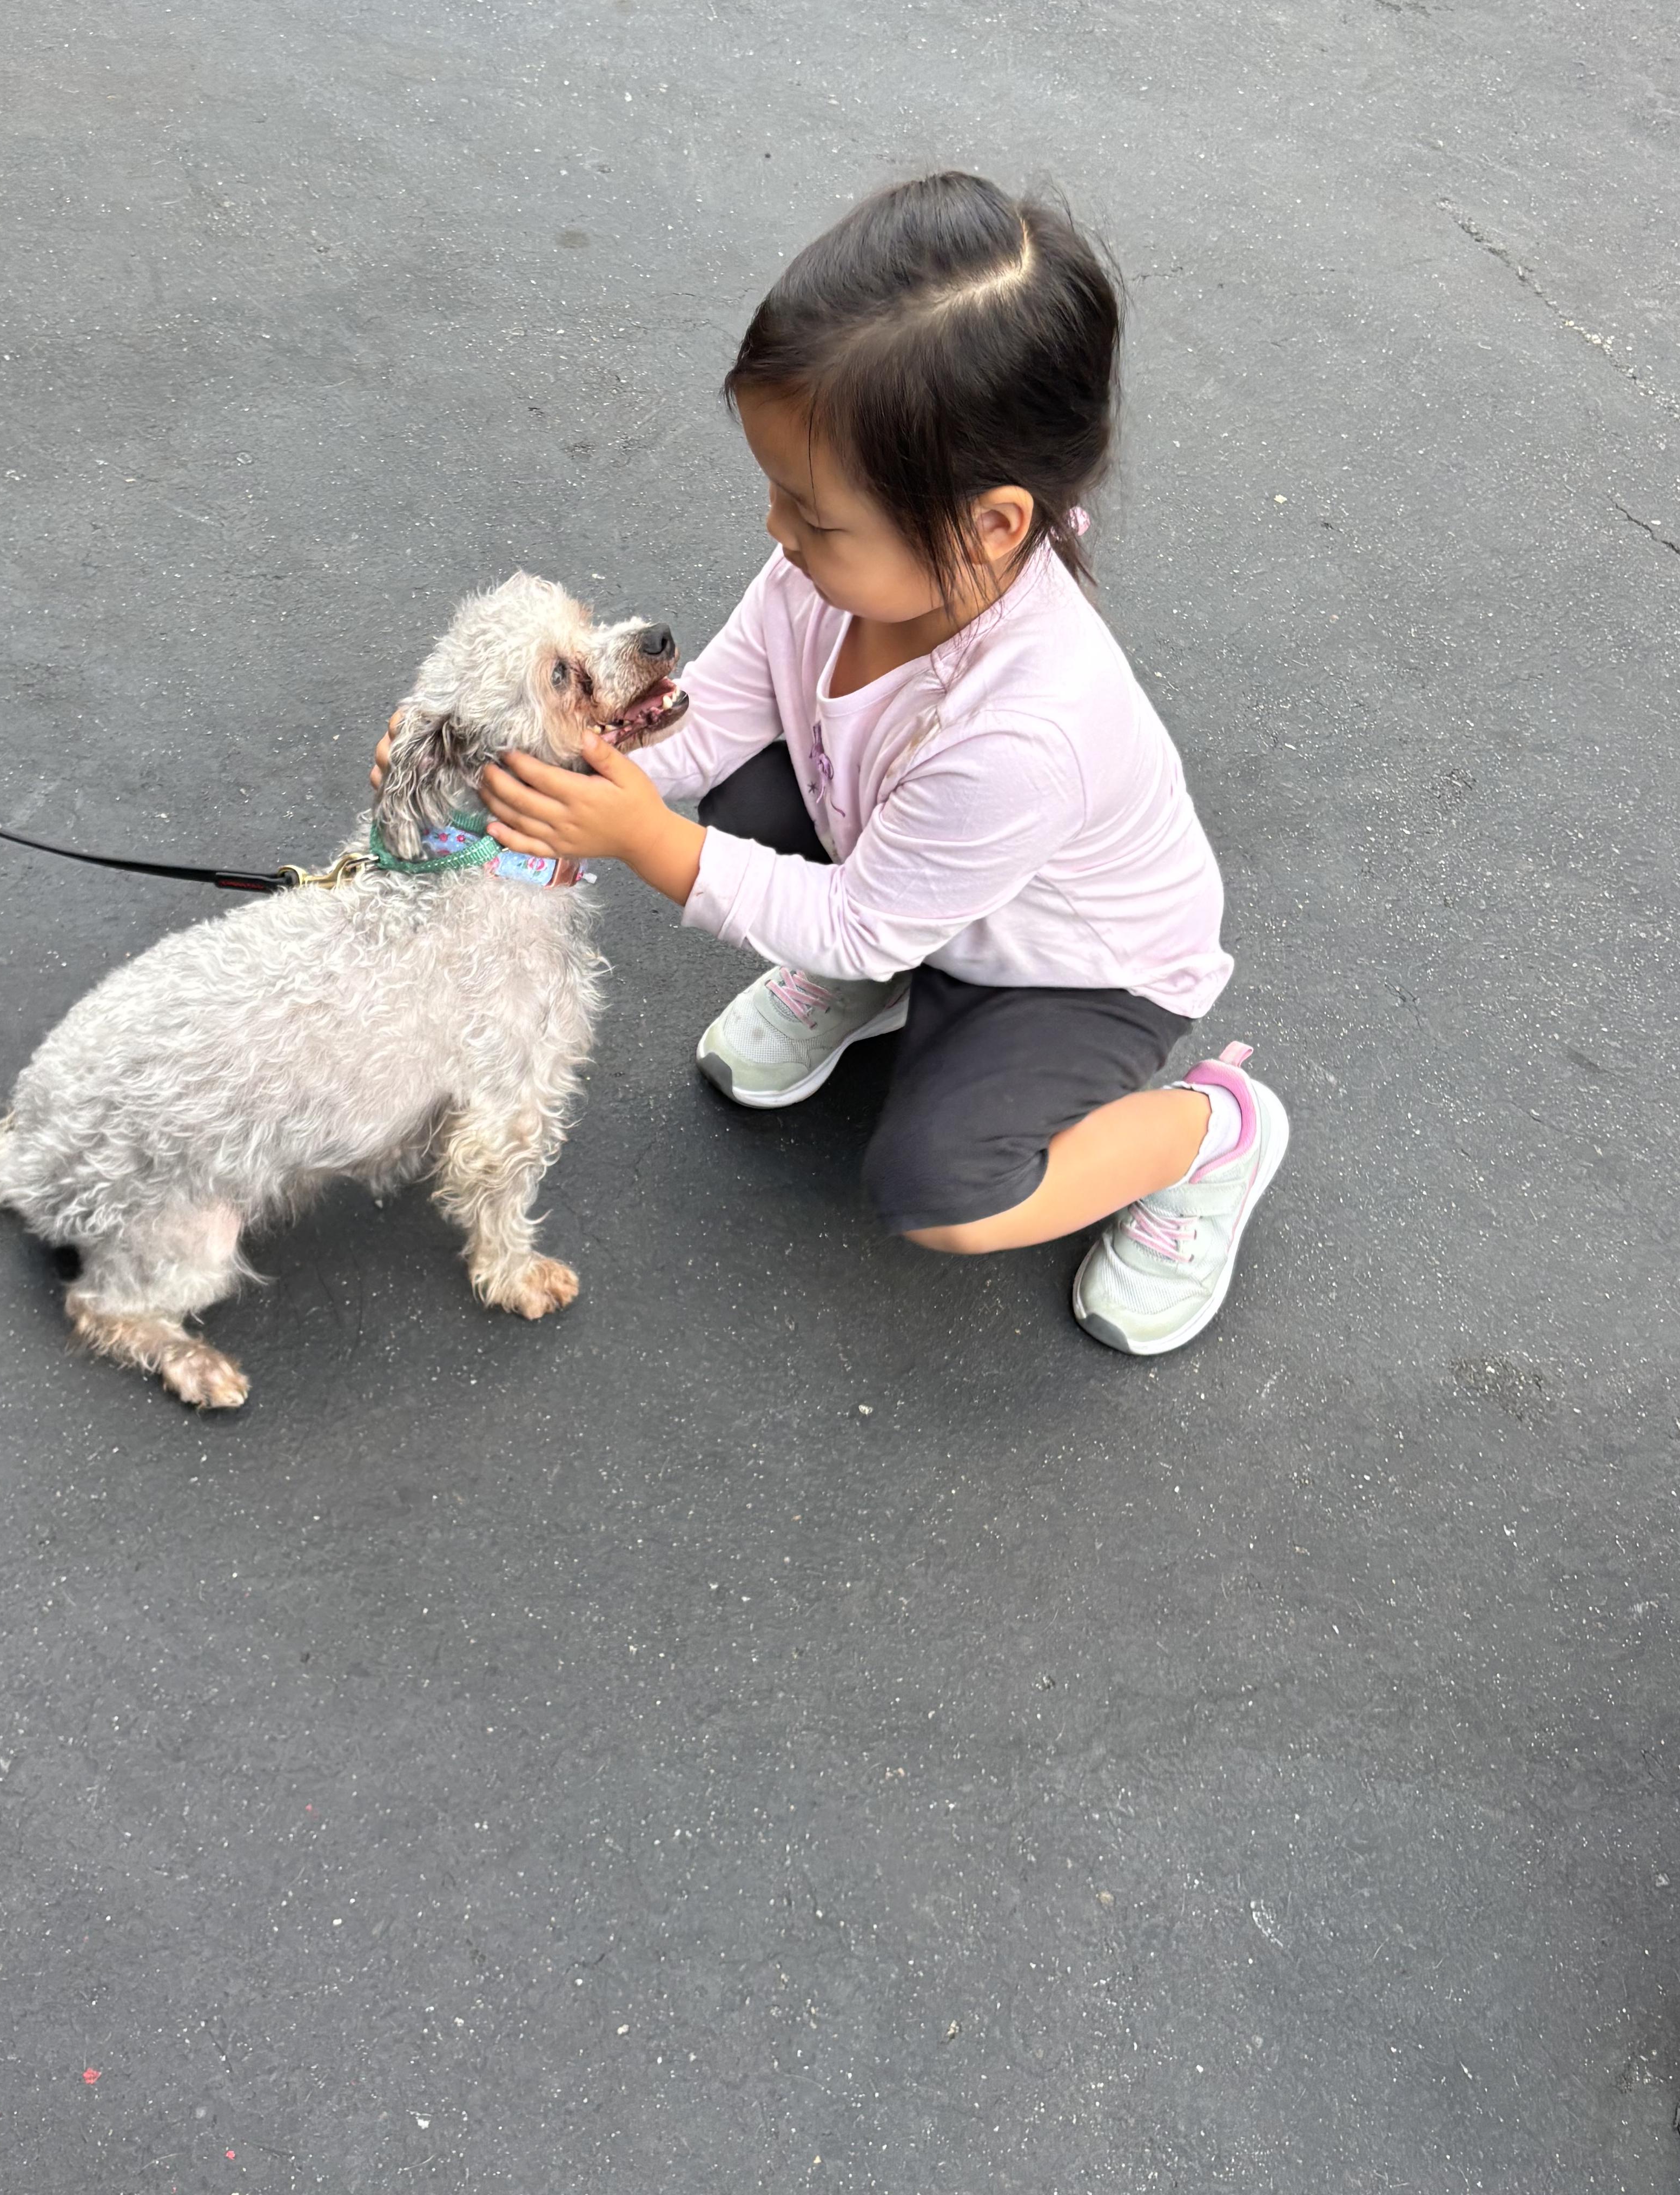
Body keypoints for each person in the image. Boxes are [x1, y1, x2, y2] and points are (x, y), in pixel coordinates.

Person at [487, 170, 1284, 1353]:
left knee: (945, 1190)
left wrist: (645, 840)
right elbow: (705, 729)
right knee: (753, 790)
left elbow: (859, 919)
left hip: (1074, 972)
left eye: (813, 515)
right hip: (924, 884)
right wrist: (518, 765)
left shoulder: (1027, 730)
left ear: (991, 524)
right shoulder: (833, 576)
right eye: (776, 493)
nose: (776, 533)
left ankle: (1216, 1131)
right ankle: (895, 985)